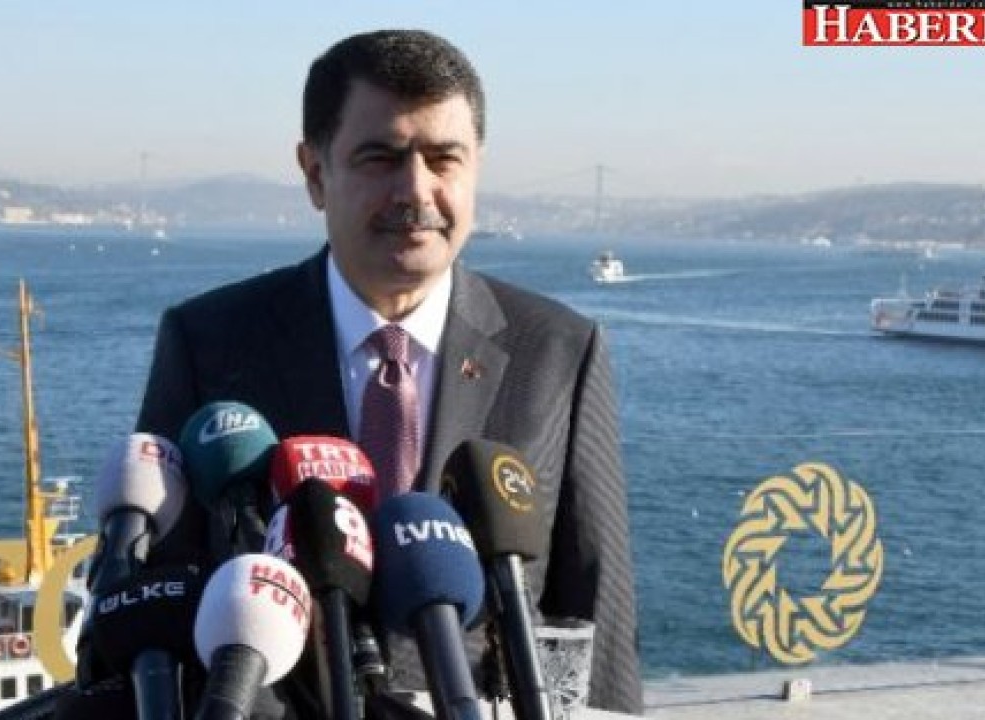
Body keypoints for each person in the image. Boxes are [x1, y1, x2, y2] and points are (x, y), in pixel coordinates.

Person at [132, 28, 641, 717]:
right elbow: (152, 609)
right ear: (315, 173)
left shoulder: (558, 351)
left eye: (444, 159)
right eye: (381, 158)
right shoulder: (208, 344)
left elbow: (598, 618)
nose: (416, 190)